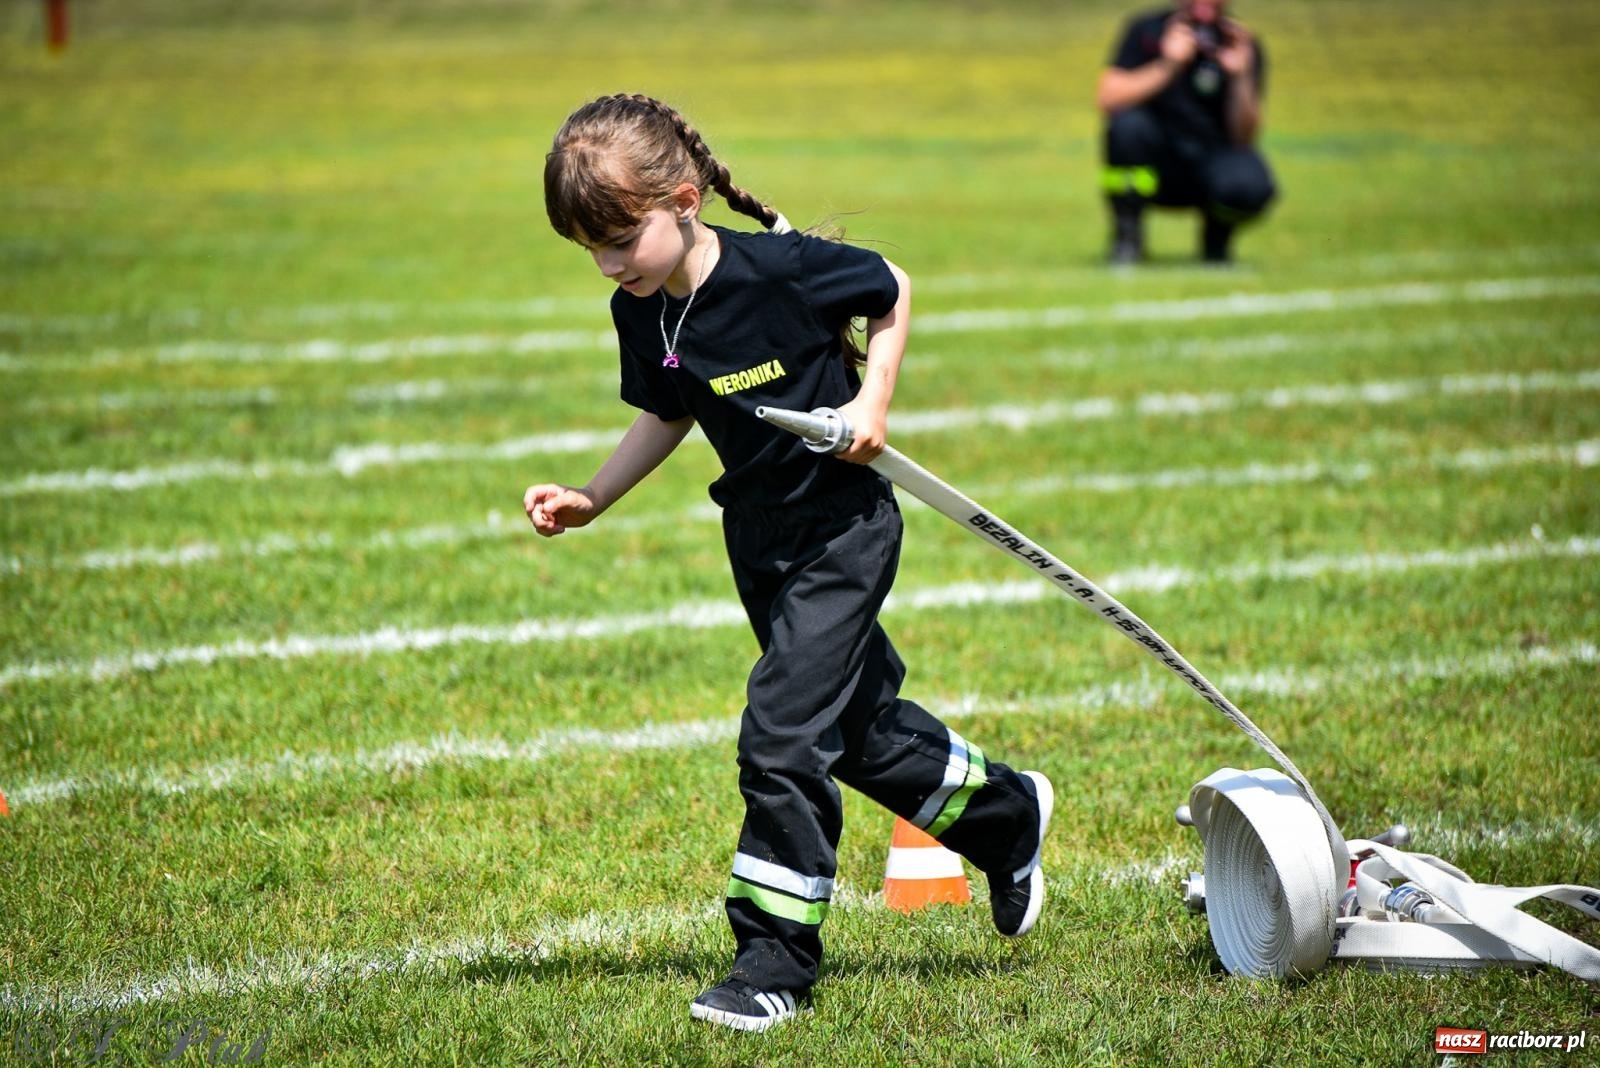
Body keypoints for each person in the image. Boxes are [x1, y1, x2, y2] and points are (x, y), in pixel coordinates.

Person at [527, 93, 1054, 1033]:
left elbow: (888, 285)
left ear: (683, 199)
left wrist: (872, 407)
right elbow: (669, 410)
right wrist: (592, 497)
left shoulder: (779, 271)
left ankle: (772, 959)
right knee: (851, 733)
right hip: (760, 539)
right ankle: (1004, 815)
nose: (608, 265)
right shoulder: (640, 309)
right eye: (590, 250)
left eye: (619, 240)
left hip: (842, 531)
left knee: (778, 737)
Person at [1096, 0, 1275, 264]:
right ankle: (1128, 239)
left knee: (1250, 185)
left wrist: (1240, 77)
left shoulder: (1240, 42)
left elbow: (1246, 137)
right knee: (1127, 127)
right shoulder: (1147, 32)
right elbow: (1108, 98)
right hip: (1157, 164)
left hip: (1210, 161)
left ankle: (1216, 242)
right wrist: (1168, 66)